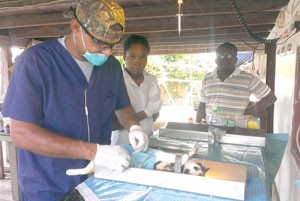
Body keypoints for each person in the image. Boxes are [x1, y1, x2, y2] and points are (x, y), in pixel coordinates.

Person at [1, 1, 149, 200]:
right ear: (76, 27)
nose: (107, 52)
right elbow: (21, 134)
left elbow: (122, 107)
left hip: (96, 182)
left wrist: (133, 126)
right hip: (47, 184)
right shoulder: (36, 62)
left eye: (112, 45)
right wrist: (93, 151)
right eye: (100, 42)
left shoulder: (111, 67)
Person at [196, 42, 277, 125]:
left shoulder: (248, 78)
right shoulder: (207, 78)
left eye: (229, 56)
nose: (224, 59)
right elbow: (202, 103)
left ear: (235, 60)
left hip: (237, 131)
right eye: (221, 56)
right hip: (212, 130)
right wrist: (197, 125)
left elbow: (270, 98)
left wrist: (249, 111)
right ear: (216, 60)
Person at [111, 34, 162, 145]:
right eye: (132, 56)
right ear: (124, 56)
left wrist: (154, 109)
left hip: (147, 142)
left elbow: (155, 115)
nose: (137, 62)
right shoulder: (115, 80)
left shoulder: (151, 81)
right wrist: (146, 113)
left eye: (143, 57)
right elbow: (111, 125)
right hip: (123, 144)